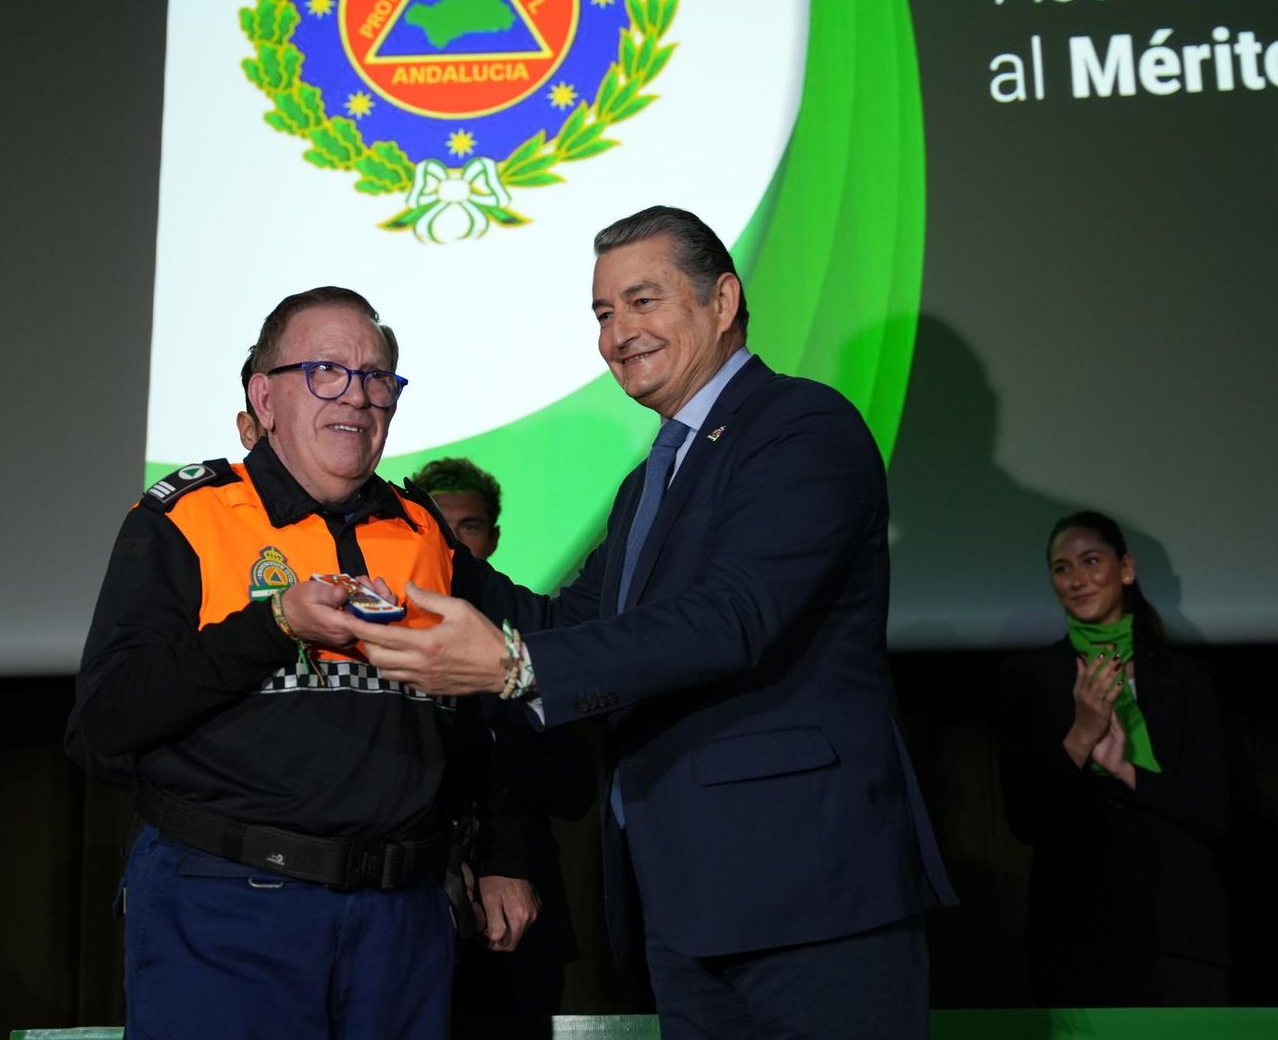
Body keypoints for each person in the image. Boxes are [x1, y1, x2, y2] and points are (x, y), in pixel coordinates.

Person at [351, 206, 957, 1039]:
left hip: (809, 892)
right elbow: (565, 621)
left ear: (723, 300)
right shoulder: (652, 478)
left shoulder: (800, 426)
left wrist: (516, 667)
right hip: (686, 904)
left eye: (643, 301)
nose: (617, 334)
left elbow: (731, 618)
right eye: (603, 313)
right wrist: (399, 523)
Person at [65, 286, 535, 1040]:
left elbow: (479, 710)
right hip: (228, 907)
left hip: (401, 922)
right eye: (326, 371)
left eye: (377, 377)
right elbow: (105, 724)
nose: (357, 395)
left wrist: (504, 851)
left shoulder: (423, 530)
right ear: (265, 397)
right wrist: (275, 623)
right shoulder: (188, 517)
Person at [997, 511, 1230, 1006]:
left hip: (1178, 927)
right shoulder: (1028, 677)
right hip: (1073, 930)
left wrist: (1129, 771)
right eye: (1061, 568)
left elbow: (1214, 815)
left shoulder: (1186, 679)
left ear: (1125, 569)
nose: (1077, 579)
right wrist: (1081, 735)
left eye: (1090, 561)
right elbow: (1025, 817)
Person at [410, 457, 596, 1032]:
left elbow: (573, 788)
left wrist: (492, 717)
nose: (455, 543)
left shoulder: (538, 648)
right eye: (440, 527)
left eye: (467, 527)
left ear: (492, 537)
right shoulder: (382, 644)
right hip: (410, 902)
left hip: (521, 912)